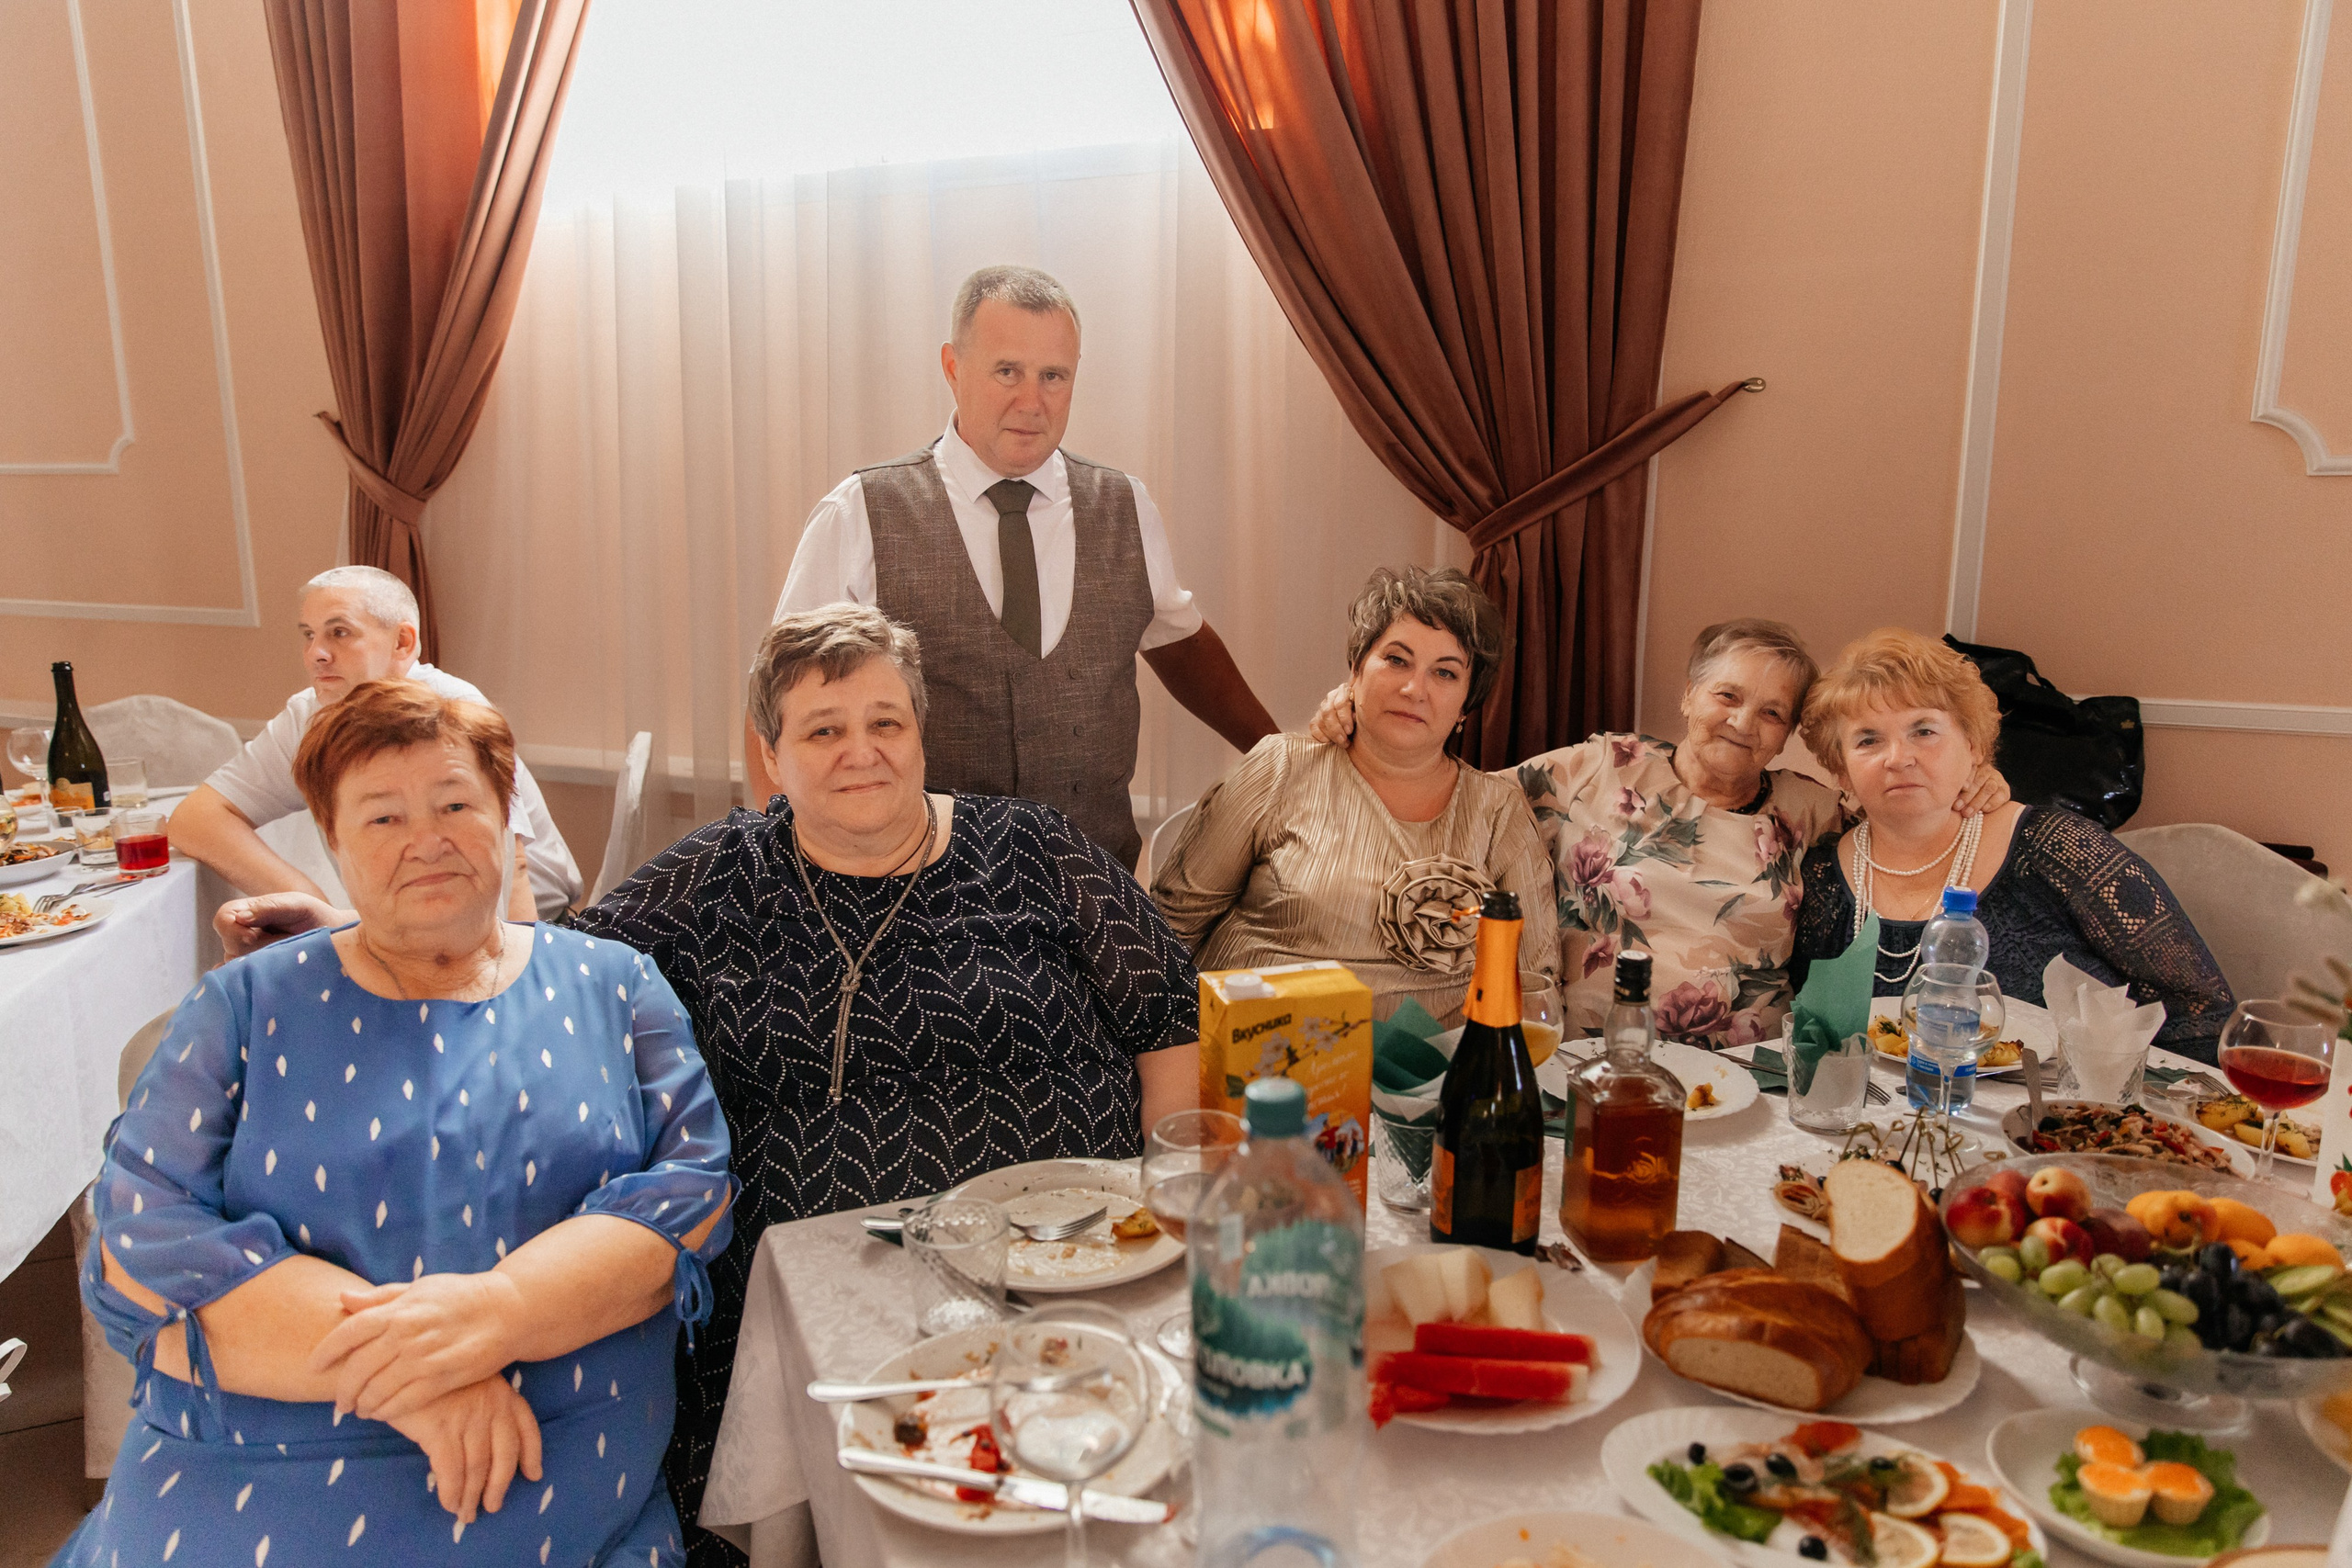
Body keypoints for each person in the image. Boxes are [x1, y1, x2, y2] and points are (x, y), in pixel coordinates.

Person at [215, 604, 1201, 1568]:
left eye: (884, 723)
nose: (861, 751)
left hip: (1073, 1255)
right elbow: (538, 970)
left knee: (1143, 1480)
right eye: (823, 729)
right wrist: (357, 935)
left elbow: (1167, 1014)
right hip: (811, 1282)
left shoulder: (1031, 849)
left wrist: (1161, 1211)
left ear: (921, 737)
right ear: (771, 757)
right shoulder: (716, 878)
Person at [62, 680, 732, 1568]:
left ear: (506, 817)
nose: (426, 839)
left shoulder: (617, 984)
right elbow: (138, 1242)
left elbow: (690, 1195)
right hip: (255, 1453)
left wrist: (497, 1313)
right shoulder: (245, 1002)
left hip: (550, 1452)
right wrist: (417, 1379)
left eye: (456, 802)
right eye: (381, 818)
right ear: (332, 843)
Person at [747, 264, 1278, 869]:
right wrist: (786, 869)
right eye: (1007, 372)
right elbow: (775, 698)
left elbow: (1180, 643)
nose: (1032, 401)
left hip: (1095, 893)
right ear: (952, 367)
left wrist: (1286, 760)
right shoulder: (861, 512)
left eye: (1054, 376)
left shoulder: (1124, 505)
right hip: (922, 900)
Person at [1312, 618, 2012, 1048]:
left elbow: (1910, 814)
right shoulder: (1595, 768)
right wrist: (1362, 719)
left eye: (1771, 712)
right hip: (1585, 1058)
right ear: (1688, 695)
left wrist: (1981, 783)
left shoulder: (1811, 811)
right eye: (1728, 696)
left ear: (1787, 735)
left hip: (1747, 1073)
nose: (1743, 722)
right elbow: (1448, 788)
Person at [1791, 627, 2233, 1059]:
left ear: (1974, 746)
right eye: (1868, 740)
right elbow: (1813, 1039)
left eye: (1923, 731)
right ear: (1842, 770)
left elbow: (2198, 1014)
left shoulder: (2056, 846)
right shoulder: (1820, 875)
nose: (1899, 758)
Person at [1154, 567, 1557, 1021]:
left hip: (1439, 1077)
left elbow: (1535, 987)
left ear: (1466, 705)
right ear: (1356, 669)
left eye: (1445, 673)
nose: (1413, 689)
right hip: (1258, 1061)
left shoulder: (1498, 810)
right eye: (1397, 660)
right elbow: (1169, 929)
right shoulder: (1281, 767)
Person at [170, 565, 583, 919]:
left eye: (339, 632)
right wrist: (309, 900)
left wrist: (518, 982)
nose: (316, 653)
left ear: (402, 642)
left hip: (532, 928)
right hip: (412, 936)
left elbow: (514, 870)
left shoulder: (452, 710)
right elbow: (197, 818)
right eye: (309, 635)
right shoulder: (309, 715)